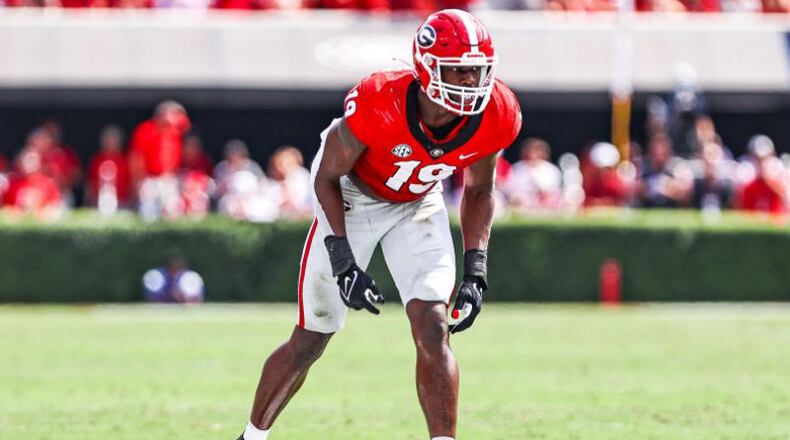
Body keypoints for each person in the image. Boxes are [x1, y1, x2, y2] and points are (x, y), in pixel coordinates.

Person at [236, 9, 521, 440]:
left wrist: (476, 271)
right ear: (426, 66)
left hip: (418, 201)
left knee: (434, 327)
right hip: (352, 196)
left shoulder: (497, 111)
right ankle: (251, 436)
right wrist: (343, 260)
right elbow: (326, 177)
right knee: (311, 337)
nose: (469, 81)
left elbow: (480, 189)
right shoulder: (379, 100)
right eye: (457, 70)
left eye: (476, 70)